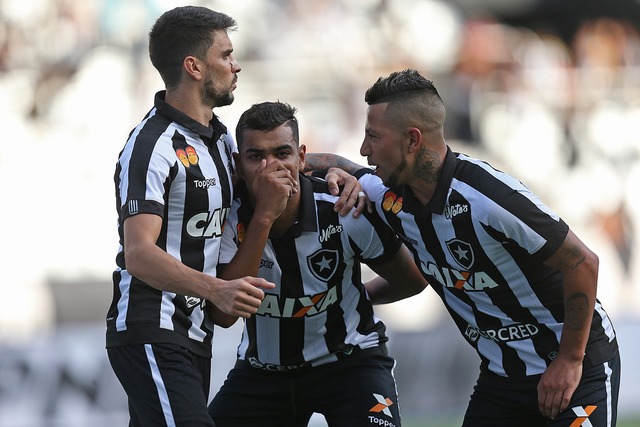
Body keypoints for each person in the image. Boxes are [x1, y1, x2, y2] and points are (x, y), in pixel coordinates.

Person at [304, 69, 620, 427]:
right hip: (502, 377)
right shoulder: (391, 196)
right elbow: (344, 166)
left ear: (412, 140)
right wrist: (306, 164)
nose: (365, 149)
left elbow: (582, 262)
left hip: (574, 367)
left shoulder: (487, 197)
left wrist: (570, 360)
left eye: (373, 137)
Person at [206, 101, 428, 427]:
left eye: (283, 154)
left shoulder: (343, 206)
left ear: (301, 157)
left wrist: (357, 296)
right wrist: (264, 217)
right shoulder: (227, 215)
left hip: (350, 364)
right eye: (256, 157)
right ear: (239, 163)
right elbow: (224, 314)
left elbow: (412, 279)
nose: (272, 168)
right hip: (264, 372)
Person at [106, 7, 277, 426]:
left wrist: (341, 172)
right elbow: (139, 254)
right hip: (151, 329)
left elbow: (271, 171)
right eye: (226, 55)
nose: (236, 65)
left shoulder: (217, 139)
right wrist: (215, 289)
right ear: (194, 66)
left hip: (194, 335)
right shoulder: (151, 145)